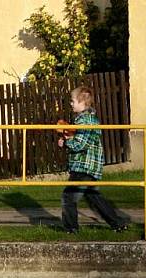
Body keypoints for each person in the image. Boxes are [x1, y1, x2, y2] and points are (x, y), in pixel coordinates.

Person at [59, 87, 127, 234]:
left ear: (82, 102)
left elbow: (80, 144)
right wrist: (67, 137)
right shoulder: (87, 119)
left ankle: (71, 228)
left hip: (84, 166)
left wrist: (66, 142)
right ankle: (117, 224)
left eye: (73, 101)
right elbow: (79, 139)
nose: (71, 104)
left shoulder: (84, 120)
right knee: (94, 197)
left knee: (68, 197)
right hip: (90, 165)